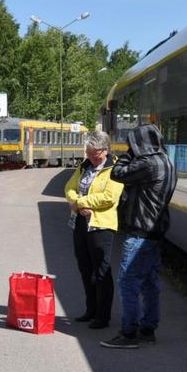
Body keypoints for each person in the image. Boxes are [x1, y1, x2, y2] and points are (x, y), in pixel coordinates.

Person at [101, 123, 178, 349]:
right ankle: (148, 329)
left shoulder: (147, 163)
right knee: (150, 282)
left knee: (128, 281)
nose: (130, 147)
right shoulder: (166, 160)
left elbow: (117, 173)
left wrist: (127, 155)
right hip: (155, 230)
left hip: (140, 231)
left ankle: (129, 333)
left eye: (133, 144)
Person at [63, 131, 123, 330]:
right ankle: (90, 309)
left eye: (93, 154)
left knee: (101, 271)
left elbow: (109, 197)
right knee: (85, 268)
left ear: (104, 150)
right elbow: (69, 187)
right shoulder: (84, 166)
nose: (89, 157)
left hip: (101, 225)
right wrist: (75, 202)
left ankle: (102, 315)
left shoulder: (114, 169)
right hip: (79, 223)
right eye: (88, 153)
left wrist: (80, 202)